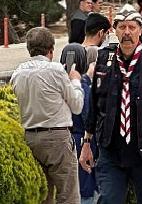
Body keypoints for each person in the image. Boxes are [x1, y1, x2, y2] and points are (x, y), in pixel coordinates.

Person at [79, 4, 142, 204]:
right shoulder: (103, 60)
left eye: (132, 27)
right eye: (122, 27)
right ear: (114, 30)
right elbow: (94, 105)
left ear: (140, 30)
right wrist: (87, 143)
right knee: (108, 199)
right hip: (111, 149)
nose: (127, 32)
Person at [10, 27, 84, 204]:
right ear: (51, 49)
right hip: (57, 138)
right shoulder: (56, 71)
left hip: (30, 137)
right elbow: (77, 106)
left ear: (29, 49)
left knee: (44, 195)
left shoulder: (17, 73)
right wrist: (75, 80)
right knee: (68, 195)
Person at [60, 44, 99, 204]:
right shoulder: (82, 86)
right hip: (83, 142)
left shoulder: (57, 84)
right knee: (86, 190)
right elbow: (89, 116)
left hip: (62, 139)